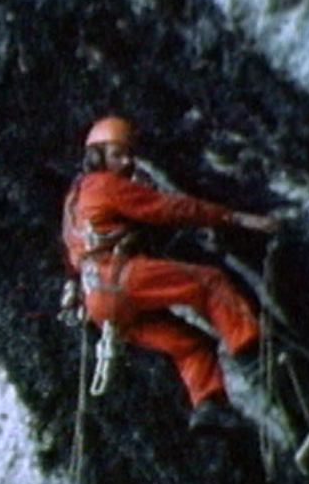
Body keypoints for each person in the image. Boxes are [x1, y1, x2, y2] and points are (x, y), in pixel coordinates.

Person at [62, 116, 277, 429]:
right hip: (119, 278)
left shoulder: (74, 200)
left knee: (189, 344)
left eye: (128, 155)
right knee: (209, 283)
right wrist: (234, 217)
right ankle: (252, 356)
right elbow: (171, 209)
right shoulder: (106, 185)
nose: (126, 162)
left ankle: (209, 404)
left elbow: (74, 255)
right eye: (117, 154)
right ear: (96, 157)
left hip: (98, 302)